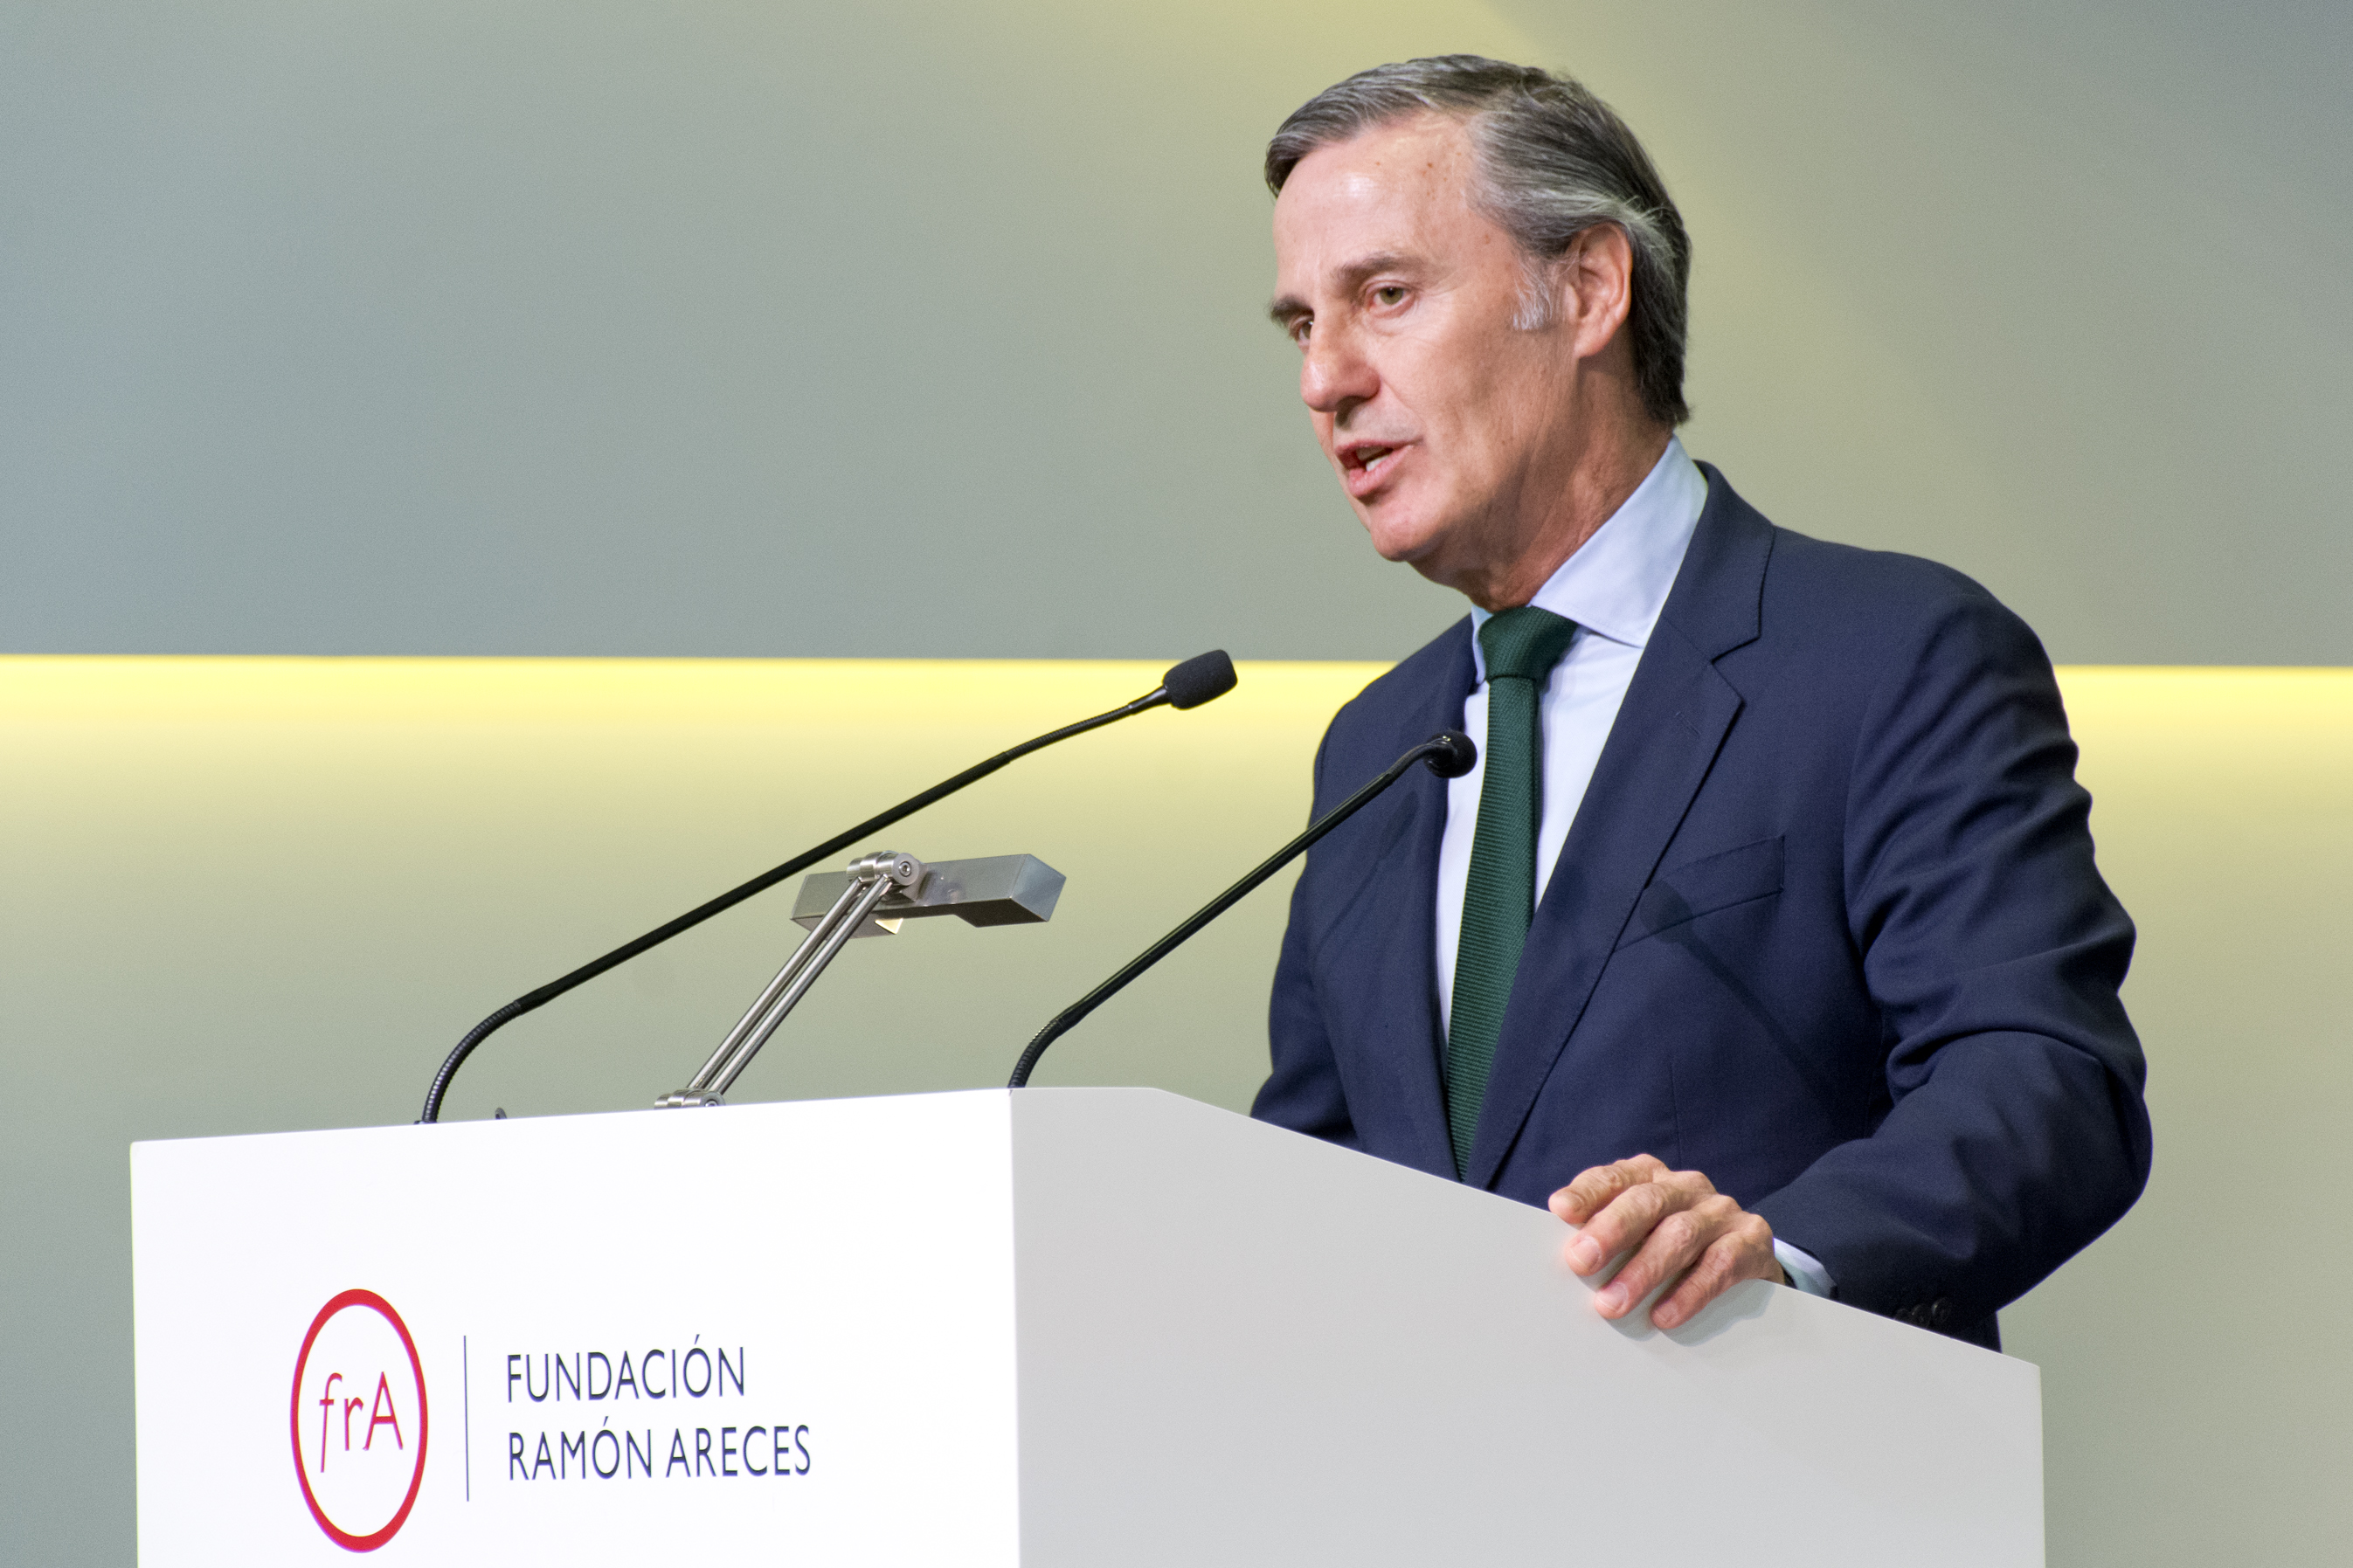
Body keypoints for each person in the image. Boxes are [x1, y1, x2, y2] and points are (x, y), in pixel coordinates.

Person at [1251, 56, 2150, 1348]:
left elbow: (2043, 1081)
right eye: (1301, 324)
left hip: (1770, 1439)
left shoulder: (1889, 658)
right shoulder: (1378, 747)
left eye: (1384, 297)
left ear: (1588, 290)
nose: (1324, 379)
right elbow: (1309, 1176)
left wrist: (1779, 1252)